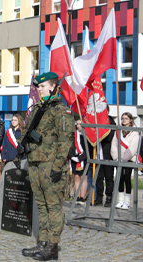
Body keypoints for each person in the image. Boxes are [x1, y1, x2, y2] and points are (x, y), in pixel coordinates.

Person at [20, 72, 74, 261]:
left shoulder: (62, 111)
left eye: (42, 87)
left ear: (52, 87)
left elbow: (66, 140)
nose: (39, 90)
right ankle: (42, 242)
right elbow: (27, 130)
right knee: (42, 206)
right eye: (38, 87)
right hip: (35, 162)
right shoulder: (38, 109)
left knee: (53, 206)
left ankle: (52, 247)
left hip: (51, 163)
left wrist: (58, 167)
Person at [111, 112, 140, 210]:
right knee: (119, 178)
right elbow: (114, 145)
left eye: (126, 118)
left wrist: (124, 158)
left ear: (131, 120)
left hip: (129, 159)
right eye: (122, 118)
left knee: (127, 178)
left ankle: (127, 202)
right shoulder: (118, 130)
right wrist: (116, 157)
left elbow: (133, 147)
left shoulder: (135, 131)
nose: (124, 120)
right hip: (118, 158)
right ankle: (120, 200)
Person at [94, 110, 117, 207]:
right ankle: (99, 198)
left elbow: (110, 137)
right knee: (98, 178)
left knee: (109, 178)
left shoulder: (111, 121)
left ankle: (109, 198)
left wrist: (100, 134)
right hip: (98, 153)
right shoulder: (95, 120)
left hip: (108, 154)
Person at [69, 120, 88, 205]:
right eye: (77, 124)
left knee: (83, 178)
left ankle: (82, 198)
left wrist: (81, 158)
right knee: (76, 177)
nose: (78, 126)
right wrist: (72, 156)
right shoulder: (73, 135)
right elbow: (69, 146)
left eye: (80, 124)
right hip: (74, 159)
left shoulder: (86, 136)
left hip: (84, 159)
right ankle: (77, 196)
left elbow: (88, 150)